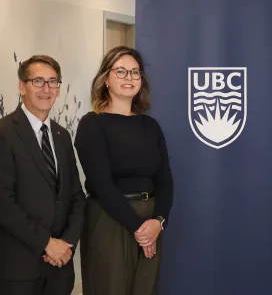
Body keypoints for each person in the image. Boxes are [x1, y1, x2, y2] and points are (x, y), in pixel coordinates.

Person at [75, 46, 174, 295]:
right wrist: (139, 229)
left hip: (150, 220)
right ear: (106, 79)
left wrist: (158, 222)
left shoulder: (150, 125)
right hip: (110, 219)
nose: (129, 78)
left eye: (135, 72)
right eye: (121, 71)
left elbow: (165, 180)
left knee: (145, 289)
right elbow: (102, 185)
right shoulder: (92, 124)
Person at [0, 55, 86, 294]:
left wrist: (66, 244)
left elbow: (76, 197)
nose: (46, 89)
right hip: (19, 269)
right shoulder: (4, 133)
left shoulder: (61, 136)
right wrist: (47, 244)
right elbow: (4, 203)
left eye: (53, 82)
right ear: (21, 86)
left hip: (60, 268)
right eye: (38, 81)